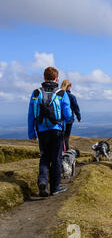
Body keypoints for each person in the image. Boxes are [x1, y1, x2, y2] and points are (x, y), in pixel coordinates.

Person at [28, 67, 72, 197]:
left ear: (44, 77)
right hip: (57, 130)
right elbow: (68, 114)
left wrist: (32, 133)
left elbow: (31, 114)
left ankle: (42, 181)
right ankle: (55, 187)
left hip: (41, 130)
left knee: (45, 157)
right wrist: (65, 119)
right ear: (56, 78)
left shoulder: (36, 93)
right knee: (56, 158)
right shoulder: (61, 93)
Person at [60, 80, 81, 150]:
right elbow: (76, 108)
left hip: (58, 119)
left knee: (60, 137)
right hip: (69, 119)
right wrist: (79, 117)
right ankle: (66, 151)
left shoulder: (58, 95)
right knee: (66, 137)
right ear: (69, 87)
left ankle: (60, 151)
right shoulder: (72, 97)